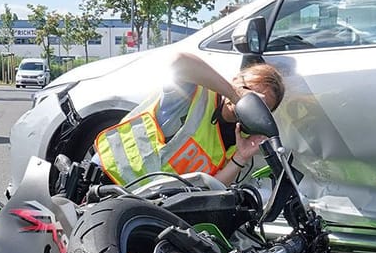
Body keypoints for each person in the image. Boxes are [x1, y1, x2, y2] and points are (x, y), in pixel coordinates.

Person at [94, 52, 285, 188]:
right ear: (235, 80)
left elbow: (211, 187)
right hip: (109, 176)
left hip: (146, 203)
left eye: (260, 105)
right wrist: (236, 95)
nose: (250, 103)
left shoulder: (241, 139)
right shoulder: (197, 93)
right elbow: (178, 61)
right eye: (250, 91)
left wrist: (241, 157)